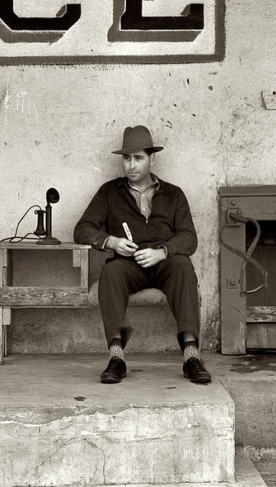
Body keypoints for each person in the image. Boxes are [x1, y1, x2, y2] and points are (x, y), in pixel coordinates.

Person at [73, 125, 211, 385]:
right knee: (110, 272)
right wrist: (111, 241)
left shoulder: (173, 194)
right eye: (127, 158)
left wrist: (162, 252)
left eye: (138, 158)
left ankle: (191, 356)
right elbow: (82, 229)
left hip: (165, 262)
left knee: (183, 266)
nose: (131, 165)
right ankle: (116, 357)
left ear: (152, 158)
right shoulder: (109, 192)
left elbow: (189, 237)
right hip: (128, 264)